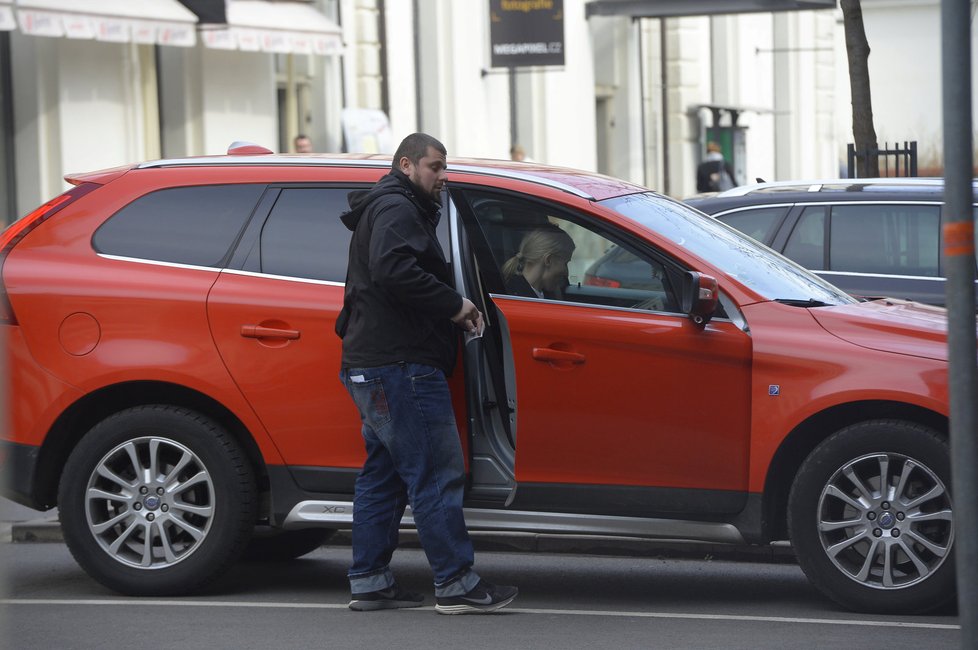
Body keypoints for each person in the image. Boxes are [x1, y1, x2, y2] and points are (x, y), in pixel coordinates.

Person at [335, 132, 519, 614]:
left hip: (374, 364)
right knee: (436, 473)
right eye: (435, 167)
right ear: (406, 164)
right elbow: (394, 270)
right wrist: (454, 304)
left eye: (444, 167)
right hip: (401, 365)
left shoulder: (388, 206)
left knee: (384, 475)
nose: (442, 176)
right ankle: (456, 584)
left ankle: (370, 580)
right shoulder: (397, 208)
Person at [501, 225, 576, 299]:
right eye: (565, 263)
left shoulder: (543, 294)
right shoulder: (514, 298)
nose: (567, 273)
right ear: (548, 260)